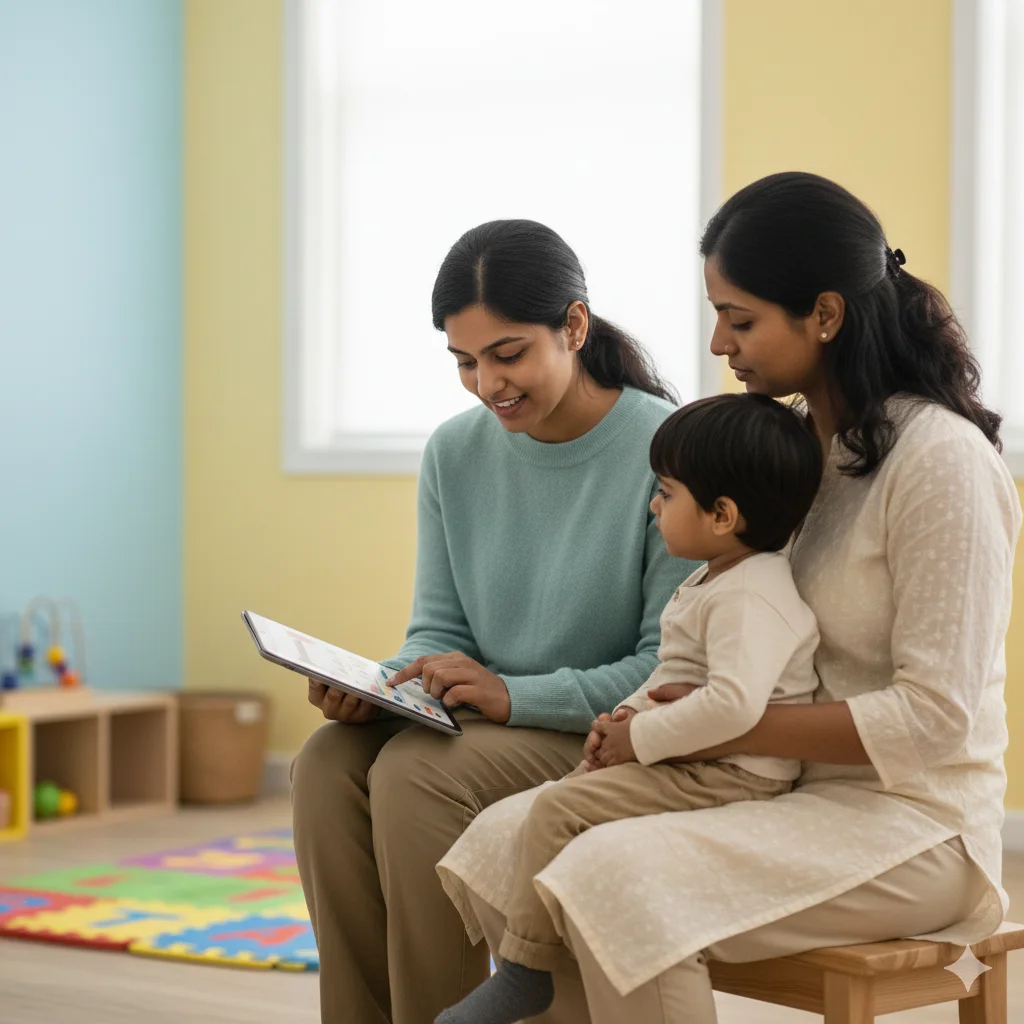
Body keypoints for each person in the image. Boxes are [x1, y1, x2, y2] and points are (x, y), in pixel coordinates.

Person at [434, 172, 1022, 1024]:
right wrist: (656, 718)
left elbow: (935, 719)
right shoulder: (790, 452)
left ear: (824, 314)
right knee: (505, 839)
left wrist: (712, 722)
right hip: (778, 791)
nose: (718, 343)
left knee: (614, 877)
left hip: (917, 828)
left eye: (740, 320)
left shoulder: (941, 462)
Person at [290, 219, 700, 1024]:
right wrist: (387, 686)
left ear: (573, 327)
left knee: (413, 778)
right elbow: (438, 628)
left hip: (601, 733)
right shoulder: (455, 452)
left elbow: (667, 670)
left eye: (507, 355)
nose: (486, 384)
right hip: (486, 723)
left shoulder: (668, 448)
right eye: (464, 362)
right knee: (327, 762)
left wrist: (511, 696)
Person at [436, 392, 823, 1024]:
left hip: (735, 775)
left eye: (667, 494)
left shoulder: (753, 594)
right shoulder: (714, 577)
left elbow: (734, 705)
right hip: (696, 760)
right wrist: (622, 720)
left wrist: (639, 740)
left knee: (559, 808)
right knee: (553, 800)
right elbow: (675, 676)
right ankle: (550, 980)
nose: (652, 504)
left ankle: (524, 970)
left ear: (722, 514)